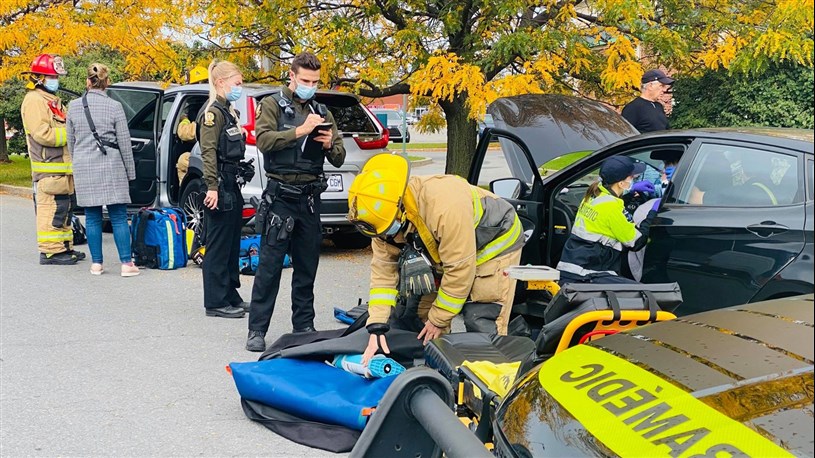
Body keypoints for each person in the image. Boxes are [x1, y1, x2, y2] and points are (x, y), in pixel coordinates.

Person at [346, 153, 526, 365]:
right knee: (420, 313)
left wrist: (438, 319)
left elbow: (459, 270)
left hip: (494, 242)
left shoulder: (444, 208)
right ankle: (438, 368)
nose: (386, 237)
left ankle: (493, 372)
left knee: (480, 316)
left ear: (401, 209)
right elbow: (383, 277)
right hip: (450, 249)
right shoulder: (381, 221)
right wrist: (377, 326)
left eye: (388, 231)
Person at [245, 51, 346, 352]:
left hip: (310, 199)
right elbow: (263, 140)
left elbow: (339, 157)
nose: (310, 86)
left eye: (315, 82)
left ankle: (303, 325)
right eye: (305, 80)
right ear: (292, 76)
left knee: (307, 267)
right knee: (269, 267)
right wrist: (300, 131)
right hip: (281, 197)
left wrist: (329, 144)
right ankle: (257, 329)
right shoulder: (272, 105)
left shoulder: (322, 111)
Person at [66, 63, 139, 277]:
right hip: (111, 164)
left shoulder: (73, 106)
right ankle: (126, 264)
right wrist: (130, 172)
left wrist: (78, 161)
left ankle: (96, 264)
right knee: (118, 216)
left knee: (92, 217)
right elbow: (124, 142)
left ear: (87, 82)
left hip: (84, 165)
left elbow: (71, 141)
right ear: (107, 82)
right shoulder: (115, 106)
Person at [197, 60, 251, 318]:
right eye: (237, 83)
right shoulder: (212, 113)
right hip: (218, 184)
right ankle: (216, 301)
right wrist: (212, 187)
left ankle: (230, 294)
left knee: (231, 243)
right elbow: (208, 152)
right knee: (218, 244)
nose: (240, 87)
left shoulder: (228, 111)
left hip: (231, 183)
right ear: (221, 82)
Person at [20, 53, 84, 265]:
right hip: (49, 169)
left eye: (56, 77)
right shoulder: (34, 101)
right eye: (52, 77)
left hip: (62, 169)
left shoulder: (52, 100)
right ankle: (50, 252)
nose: (55, 81)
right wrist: (70, 134)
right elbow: (42, 134)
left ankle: (64, 247)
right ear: (39, 78)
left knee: (63, 210)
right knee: (51, 211)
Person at [556, 156, 660, 285]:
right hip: (587, 275)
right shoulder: (612, 206)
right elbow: (637, 242)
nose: (633, 179)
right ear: (621, 183)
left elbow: (609, 211)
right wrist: (652, 213)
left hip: (571, 268)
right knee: (644, 292)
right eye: (631, 177)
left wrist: (629, 194)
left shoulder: (593, 195)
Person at [621, 69, 675, 133]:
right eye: (661, 86)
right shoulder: (633, 108)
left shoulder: (658, 106)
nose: (664, 90)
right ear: (650, 86)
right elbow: (625, 134)